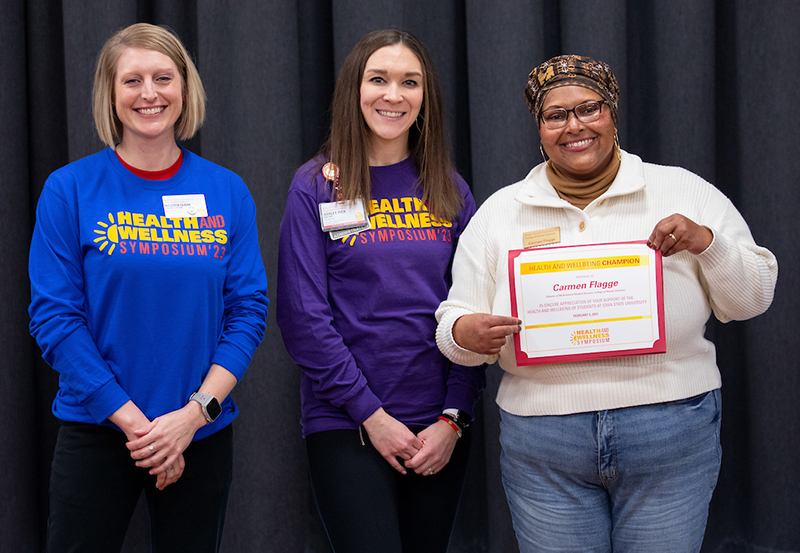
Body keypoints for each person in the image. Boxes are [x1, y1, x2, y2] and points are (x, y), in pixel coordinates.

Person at [435, 54, 778, 553]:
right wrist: (465, 333)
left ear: (613, 114)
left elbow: (754, 298)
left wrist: (707, 242)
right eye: (555, 115)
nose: (574, 126)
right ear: (539, 129)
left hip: (670, 430)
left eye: (589, 108)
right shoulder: (499, 213)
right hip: (545, 442)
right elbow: (453, 323)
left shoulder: (681, 189)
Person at [28, 23, 268, 552]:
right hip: (99, 426)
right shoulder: (69, 189)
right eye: (132, 81)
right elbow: (54, 319)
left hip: (200, 430)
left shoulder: (226, 191)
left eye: (164, 78)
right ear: (110, 95)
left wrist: (191, 417)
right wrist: (142, 429)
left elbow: (248, 310)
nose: (150, 93)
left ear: (185, 90)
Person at [276, 29, 484, 553]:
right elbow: (304, 317)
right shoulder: (315, 186)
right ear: (355, 89)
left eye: (409, 82)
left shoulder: (450, 188)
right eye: (379, 79)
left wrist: (453, 419)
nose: (393, 94)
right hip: (346, 420)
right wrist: (372, 416)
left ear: (424, 97)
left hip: (439, 425)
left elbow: (477, 307)